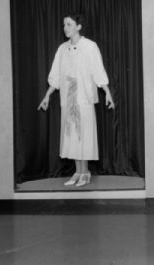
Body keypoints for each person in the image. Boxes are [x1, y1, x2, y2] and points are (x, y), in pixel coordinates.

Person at [38, 13, 115, 187]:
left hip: (84, 99)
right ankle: (77, 171)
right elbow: (56, 75)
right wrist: (47, 95)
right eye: (64, 25)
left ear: (78, 27)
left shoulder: (90, 46)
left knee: (83, 135)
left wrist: (107, 92)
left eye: (69, 24)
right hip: (68, 99)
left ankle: (85, 172)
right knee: (71, 136)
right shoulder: (62, 49)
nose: (65, 28)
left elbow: (98, 70)